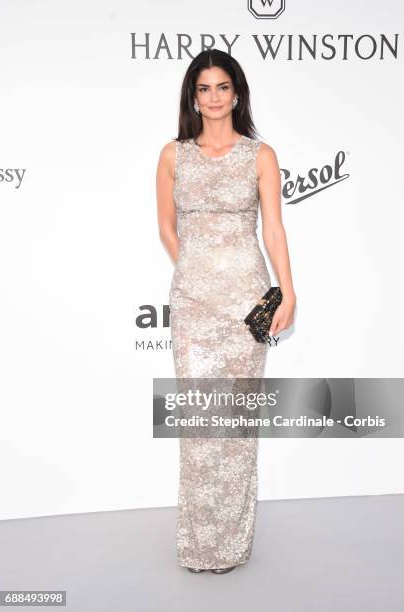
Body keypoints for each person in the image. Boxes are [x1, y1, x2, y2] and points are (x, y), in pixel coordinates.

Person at [156, 49, 296, 574]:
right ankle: (199, 544)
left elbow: (274, 229)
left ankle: (232, 546)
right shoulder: (173, 155)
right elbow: (167, 228)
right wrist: (194, 271)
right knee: (199, 421)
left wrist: (286, 290)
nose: (213, 98)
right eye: (203, 89)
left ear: (237, 93)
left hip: (248, 301)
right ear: (193, 97)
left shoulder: (260, 155)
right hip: (193, 301)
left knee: (236, 424)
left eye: (222, 87)